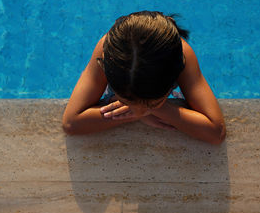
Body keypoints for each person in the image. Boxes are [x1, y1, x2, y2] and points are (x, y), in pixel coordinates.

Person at [62, 11, 226, 144]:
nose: (138, 110)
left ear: (172, 85)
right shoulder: (108, 53)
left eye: (152, 103)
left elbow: (215, 133)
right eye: (127, 103)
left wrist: (149, 110)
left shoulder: (182, 55)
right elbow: (71, 123)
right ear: (105, 69)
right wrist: (147, 111)